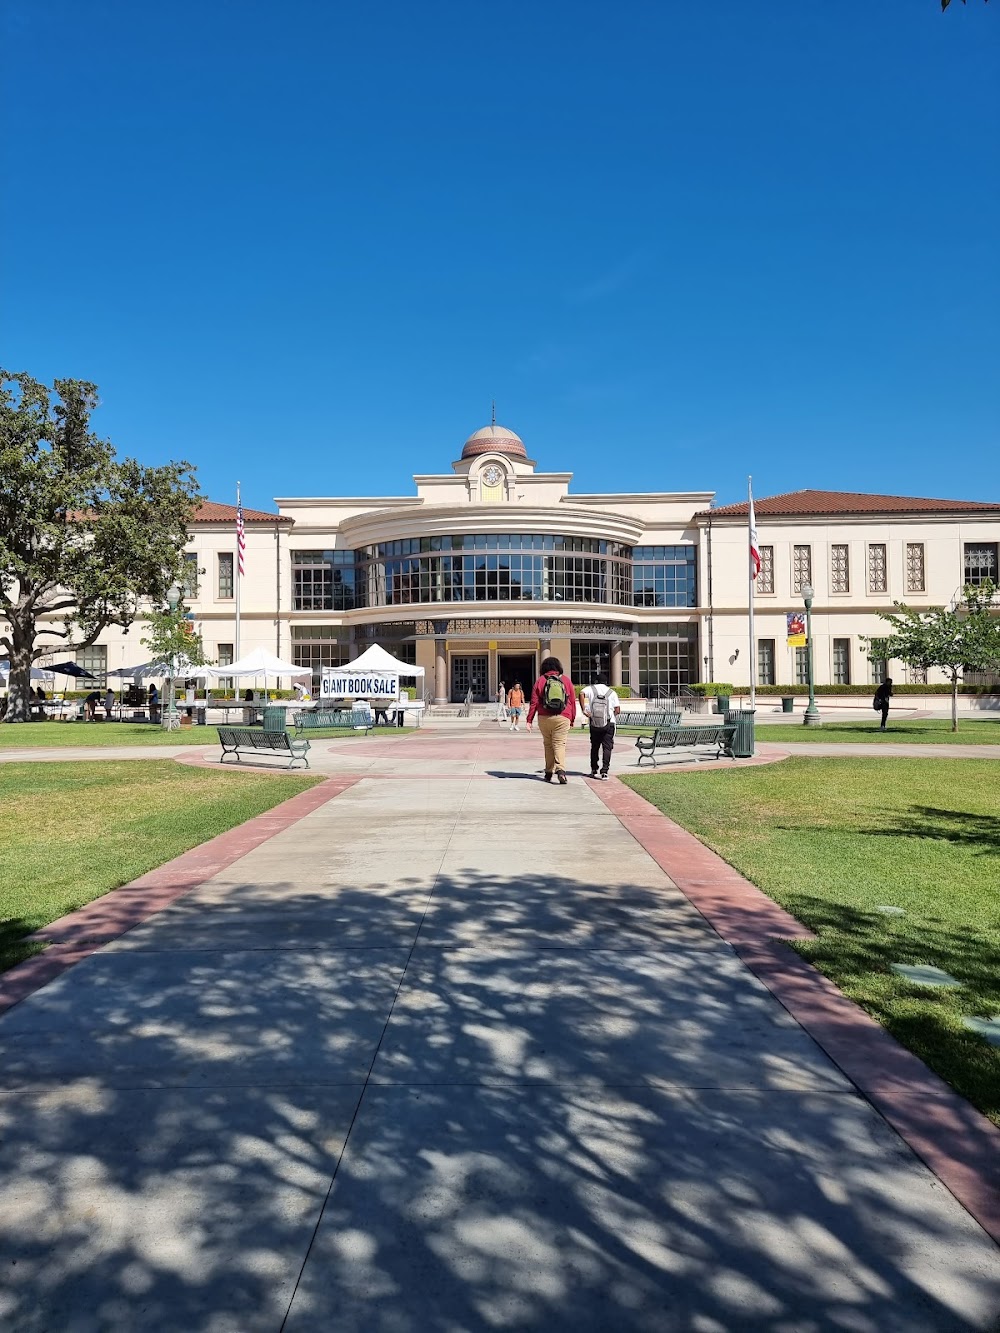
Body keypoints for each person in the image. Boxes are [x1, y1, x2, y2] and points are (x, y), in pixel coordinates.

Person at [526, 656, 577, 783]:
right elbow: (572, 701)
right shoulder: (566, 680)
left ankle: (548, 772)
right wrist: (572, 719)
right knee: (560, 744)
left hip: (544, 717)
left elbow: (534, 702)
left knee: (548, 745)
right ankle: (561, 770)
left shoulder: (540, 681)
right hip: (563, 716)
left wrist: (529, 720)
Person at [583, 672, 621, 779]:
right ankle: (604, 771)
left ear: (596, 681)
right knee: (607, 748)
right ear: (606, 682)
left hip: (594, 722)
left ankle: (594, 769)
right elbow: (617, 710)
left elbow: (581, 693)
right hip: (609, 723)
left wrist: (584, 710)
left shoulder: (591, 689)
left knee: (594, 747)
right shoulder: (612, 692)